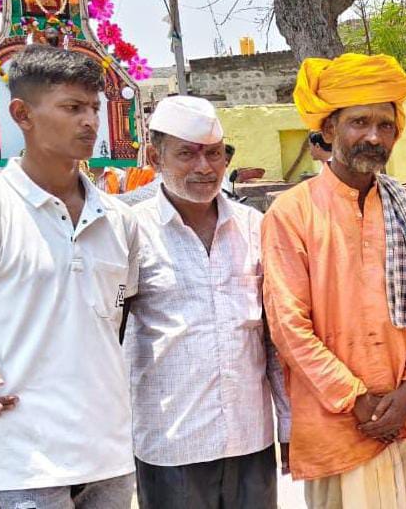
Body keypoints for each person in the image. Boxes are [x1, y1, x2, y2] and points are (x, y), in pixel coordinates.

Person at [262, 53, 406, 508]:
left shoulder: (404, 210)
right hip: (336, 425)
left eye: (385, 125)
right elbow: (289, 327)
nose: (374, 136)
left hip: (400, 420)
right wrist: (356, 400)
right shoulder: (292, 213)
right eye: (359, 122)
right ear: (328, 130)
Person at [0, 44, 138, 508]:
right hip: (26, 458)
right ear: (22, 114)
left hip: (107, 452)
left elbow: (116, 319)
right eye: (72, 108)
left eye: (94, 107)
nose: (90, 121)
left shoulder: (119, 220)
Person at [123, 95, 291, 509]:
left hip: (249, 437)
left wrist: (287, 425)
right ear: (154, 156)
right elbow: (109, 332)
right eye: (187, 154)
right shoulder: (128, 232)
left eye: (215, 154)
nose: (205, 168)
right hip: (171, 444)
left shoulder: (255, 226)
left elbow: (274, 339)